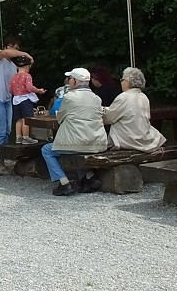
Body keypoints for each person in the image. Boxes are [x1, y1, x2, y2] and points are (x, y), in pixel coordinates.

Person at [40, 68, 107, 196]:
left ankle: (64, 183)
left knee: (48, 150)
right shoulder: (96, 98)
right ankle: (90, 177)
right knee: (76, 148)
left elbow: (60, 118)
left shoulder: (69, 97)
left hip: (76, 143)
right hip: (96, 142)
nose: (69, 81)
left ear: (75, 81)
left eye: (70, 79)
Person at [0, 36, 33, 175]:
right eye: (11, 46)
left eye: (16, 48)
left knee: (7, 130)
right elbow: (6, 53)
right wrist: (25, 54)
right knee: (0, 129)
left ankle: (1, 160)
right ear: (5, 47)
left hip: (6, 98)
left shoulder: (13, 66)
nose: (13, 50)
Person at [102, 67, 166, 152]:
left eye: (122, 80)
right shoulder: (144, 97)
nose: (121, 82)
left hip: (128, 139)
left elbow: (109, 117)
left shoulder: (124, 97)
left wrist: (100, 109)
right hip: (143, 136)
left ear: (128, 82)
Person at [10, 56, 44, 145]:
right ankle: (26, 137)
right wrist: (38, 90)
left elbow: (10, 89)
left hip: (16, 99)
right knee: (27, 119)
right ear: (27, 67)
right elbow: (29, 88)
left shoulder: (14, 76)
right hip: (25, 99)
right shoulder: (27, 76)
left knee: (18, 119)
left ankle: (18, 137)